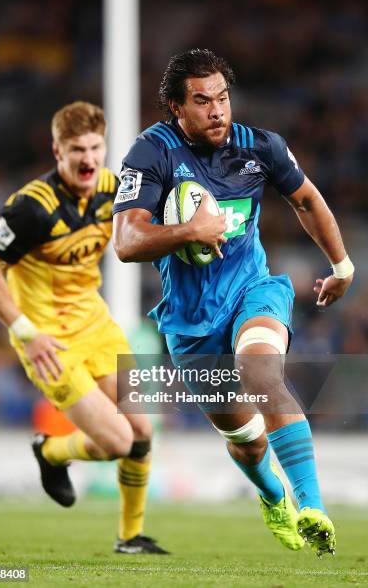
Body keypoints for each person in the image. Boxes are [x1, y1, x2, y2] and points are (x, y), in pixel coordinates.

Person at [112, 49, 354, 557]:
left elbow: (306, 199)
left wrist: (341, 265)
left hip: (253, 291)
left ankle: (312, 505)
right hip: (191, 325)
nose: (217, 110)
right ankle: (273, 496)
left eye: (222, 98)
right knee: (246, 439)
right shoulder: (150, 153)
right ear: (176, 108)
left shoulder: (260, 146)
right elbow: (127, 243)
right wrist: (188, 231)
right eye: (202, 101)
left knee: (261, 372)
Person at [0, 101, 167, 555]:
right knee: (118, 442)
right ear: (56, 151)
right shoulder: (30, 209)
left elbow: (147, 228)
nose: (88, 158)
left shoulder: (115, 190)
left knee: (143, 431)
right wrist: (24, 330)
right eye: (77, 149)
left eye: (96, 147)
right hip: (48, 342)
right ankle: (51, 452)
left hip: (97, 325)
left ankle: (130, 537)